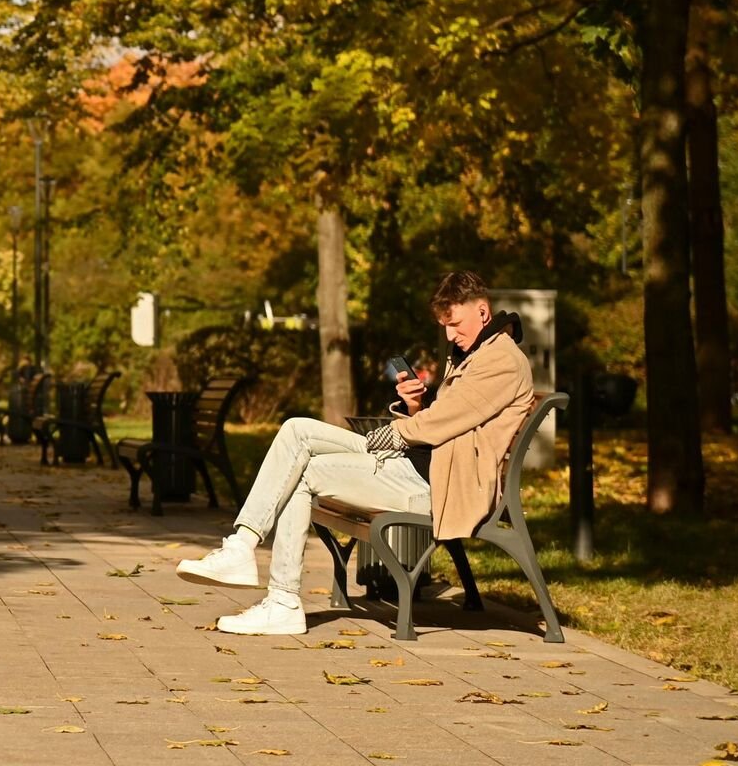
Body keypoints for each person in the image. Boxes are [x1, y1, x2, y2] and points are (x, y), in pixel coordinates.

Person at [175, 270, 534, 636]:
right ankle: (241, 546)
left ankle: (283, 601)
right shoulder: (475, 352)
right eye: (444, 325)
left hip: (438, 485)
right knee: (296, 429)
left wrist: (389, 435)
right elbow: (441, 423)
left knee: (305, 472)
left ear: (483, 312)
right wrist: (413, 407)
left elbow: (440, 425)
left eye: (454, 323)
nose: (449, 334)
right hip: (416, 463)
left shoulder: (499, 361)